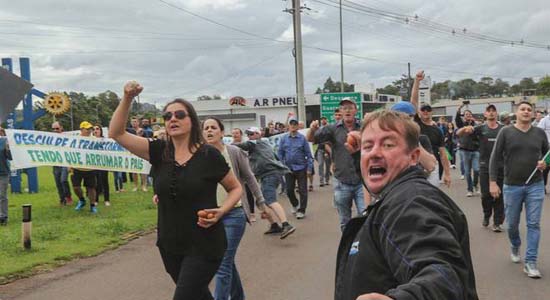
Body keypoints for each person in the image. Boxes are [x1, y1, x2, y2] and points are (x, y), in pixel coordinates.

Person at [110, 81, 243, 299]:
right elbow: (116, 132)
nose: (173, 119)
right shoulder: (158, 151)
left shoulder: (209, 156)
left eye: (180, 114)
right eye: (167, 116)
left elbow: (236, 188)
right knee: (197, 295)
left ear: (192, 121)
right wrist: (127, 98)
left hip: (205, 244)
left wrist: (222, 211)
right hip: (170, 244)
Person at [334, 110, 478, 300]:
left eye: (388, 144)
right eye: (368, 147)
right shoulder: (395, 193)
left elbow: (442, 274)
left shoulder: (412, 201)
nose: (375, 152)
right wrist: (356, 155)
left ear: (413, 157)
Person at [203, 117, 276, 300]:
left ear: (221, 132)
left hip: (234, 214)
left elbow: (250, 178)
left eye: (213, 127)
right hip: (211, 215)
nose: (209, 131)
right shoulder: (200, 155)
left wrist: (261, 204)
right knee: (226, 261)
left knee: (222, 262)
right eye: (206, 128)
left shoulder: (234, 152)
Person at [489, 101, 548, 279]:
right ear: (517, 112)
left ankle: (530, 262)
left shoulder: (539, 133)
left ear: (533, 114)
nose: (526, 112)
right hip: (512, 186)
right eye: (523, 109)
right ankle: (515, 244)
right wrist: (493, 182)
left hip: (535, 185)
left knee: (533, 224)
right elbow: (495, 157)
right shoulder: (505, 132)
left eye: (529, 110)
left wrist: (545, 164)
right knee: (512, 224)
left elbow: (548, 154)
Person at [308, 98, 366, 231]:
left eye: (350, 108)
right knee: (345, 220)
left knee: (365, 217)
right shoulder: (332, 129)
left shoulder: (365, 126)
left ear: (356, 110)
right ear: (340, 111)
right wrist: (312, 129)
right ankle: (347, 247)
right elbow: (311, 139)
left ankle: (361, 247)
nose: (347, 110)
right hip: (342, 181)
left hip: (362, 181)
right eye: (344, 108)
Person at [235, 127, 296, 238]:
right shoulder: (264, 144)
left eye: (251, 133)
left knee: (270, 200)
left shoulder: (255, 143)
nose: (249, 136)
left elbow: (244, 145)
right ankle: (274, 224)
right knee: (261, 202)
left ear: (258, 134)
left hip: (269, 175)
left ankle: (286, 224)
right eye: (248, 134)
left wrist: (228, 146)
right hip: (269, 175)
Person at [457, 104, 504, 232]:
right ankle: (487, 215)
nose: (491, 113)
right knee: (486, 195)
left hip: (500, 167)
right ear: (485, 114)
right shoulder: (479, 128)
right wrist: (465, 129)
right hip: (485, 166)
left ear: (497, 113)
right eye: (489, 111)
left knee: (500, 195)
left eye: (494, 111)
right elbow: (458, 133)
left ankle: (497, 222)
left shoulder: (503, 129)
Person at [410, 70, 451, 187]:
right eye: (423, 110)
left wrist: (447, 173)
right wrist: (417, 81)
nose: (426, 112)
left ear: (432, 112)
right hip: (416, 164)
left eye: (428, 110)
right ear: (419, 112)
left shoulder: (437, 130)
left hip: (433, 166)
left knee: (432, 197)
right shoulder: (416, 123)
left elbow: (443, 153)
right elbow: (413, 101)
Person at [278, 116, 313, 219]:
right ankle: (295, 204)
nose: (293, 126)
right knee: (289, 190)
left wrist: (309, 168)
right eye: (291, 124)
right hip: (288, 168)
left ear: (298, 126)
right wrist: (281, 165)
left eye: (295, 124)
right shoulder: (284, 138)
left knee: (303, 190)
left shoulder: (302, 139)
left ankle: (302, 210)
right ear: (289, 126)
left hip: (301, 168)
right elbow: (280, 153)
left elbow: (308, 154)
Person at [73, 121, 99, 214]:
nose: (89, 131)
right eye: (87, 129)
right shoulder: (75, 140)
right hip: (77, 168)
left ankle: (92, 205)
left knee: (91, 188)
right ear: (81, 129)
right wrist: (69, 165)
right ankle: (82, 200)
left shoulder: (95, 140)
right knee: (76, 187)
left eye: (90, 129)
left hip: (90, 168)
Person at [455, 103, 480, 197]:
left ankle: (475, 185)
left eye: (469, 114)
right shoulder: (461, 124)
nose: (468, 116)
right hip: (465, 150)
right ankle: (470, 190)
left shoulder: (476, 125)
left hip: (475, 150)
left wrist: (475, 124)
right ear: (464, 116)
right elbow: (457, 117)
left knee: (477, 170)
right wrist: (460, 107)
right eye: (466, 114)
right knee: (467, 172)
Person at [51, 122, 72, 206]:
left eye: (57, 128)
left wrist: (70, 165)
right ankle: (62, 199)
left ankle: (68, 196)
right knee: (58, 183)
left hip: (65, 163)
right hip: (56, 164)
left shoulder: (66, 138)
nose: (55, 130)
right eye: (53, 129)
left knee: (63, 180)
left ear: (61, 128)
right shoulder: (50, 139)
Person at [93, 125, 111, 206]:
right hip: (94, 164)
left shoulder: (105, 140)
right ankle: (95, 199)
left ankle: (106, 200)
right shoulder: (90, 140)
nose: (95, 130)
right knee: (96, 182)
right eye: (94, 129)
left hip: (104, 163)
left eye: (97, 129)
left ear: (101, 131)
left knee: (104, 181)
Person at [316, 117, 332, 187]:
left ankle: (327, 179)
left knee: (328, 165)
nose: (323, 121)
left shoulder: (329, 129)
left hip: (327, 149)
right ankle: (321, 180)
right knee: (320, 164)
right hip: (320, 149)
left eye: (324, 119)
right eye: (322, 120)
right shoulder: (319, 129)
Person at [0, 128, 11, 226]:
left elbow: (10, 157)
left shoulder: (4, 142)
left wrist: (8, 148)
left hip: (3, 173)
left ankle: (3, 217)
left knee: (2, 195)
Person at [537, 112, 550, 191]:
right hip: (548, 148)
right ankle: (544, 185)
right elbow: (538, 132)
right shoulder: (544, 120)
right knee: (546, 168)